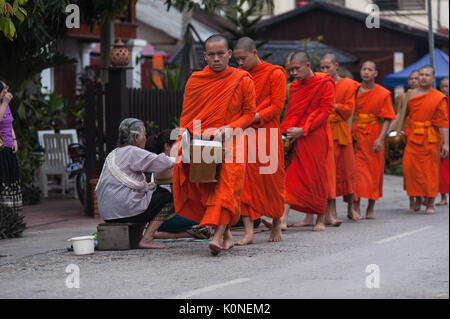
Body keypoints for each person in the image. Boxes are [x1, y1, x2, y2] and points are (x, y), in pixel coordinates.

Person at [172, 34, 256, 256]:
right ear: (205, 56)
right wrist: (185, 141)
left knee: (226, 186)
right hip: (205, 140)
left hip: (233, 139)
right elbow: (188, 116)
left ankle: (217, 237)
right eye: (212, 54)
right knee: (209, 187)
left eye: (221, 54)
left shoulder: (242, 79)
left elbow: (249, 114)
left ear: (229, 54)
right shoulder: (196, 80)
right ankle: (226, 235)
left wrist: (230, 128)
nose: (217, 58)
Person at [232, 37, 287, 245]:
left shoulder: (275, 73)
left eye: (243, 58)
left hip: (268, 133)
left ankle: (275, 223)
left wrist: (251, 117)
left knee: (272, 181)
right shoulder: (239, 75)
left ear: (255, 53)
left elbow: (276, 107)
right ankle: (249, 232)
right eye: (237, 60)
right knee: (245, 182)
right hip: (245, 134)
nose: (240, 64)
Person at [95, 118, 175, 249]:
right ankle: (147, 238)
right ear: (136, 136)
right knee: (169, 197)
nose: (146, 138)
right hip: (125, 211)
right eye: (144, 135)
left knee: (146, 196)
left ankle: (139, 237)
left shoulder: (113, 154)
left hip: (108, 214)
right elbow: (162, 163)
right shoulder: (133, 151)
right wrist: (182, 158)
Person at [278, 51, 335, 232]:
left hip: (315, 135)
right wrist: (286, 132)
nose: (293, 73)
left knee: (317, 177)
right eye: (290, 70)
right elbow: (292, 113)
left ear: (308, 65)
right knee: (291, 176)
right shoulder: (294, 87)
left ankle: (320, 218)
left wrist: (304, 129)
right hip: (296, 136)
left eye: (297, 68)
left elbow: (325, 111)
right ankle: (282, 219)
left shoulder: (324, 83)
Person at [145, 129, 211, 240]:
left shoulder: (165, 161)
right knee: (208, 219)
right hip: (166, 217)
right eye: (179, 143)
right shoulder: (168, 162)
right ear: (167, 146)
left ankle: (161, 233)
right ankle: (161, 233)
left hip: (163, 216)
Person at [403, 67, 449, 214]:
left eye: (427, 75)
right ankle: (414, 199)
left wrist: (446, 143)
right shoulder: (410, 95)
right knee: (410, 169)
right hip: (412, 138)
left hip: (430, 139)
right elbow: (403, 115)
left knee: (430, 171)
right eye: (421, 75)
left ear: (433, 78)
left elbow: (443, 122)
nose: (423, 77)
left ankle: (430, 203)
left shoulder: (438, 97)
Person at [320, 53, 360, 222]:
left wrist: (334, 106)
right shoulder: (320, 83)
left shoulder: (349, 85)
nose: (324, 71)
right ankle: (331, 211)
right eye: (321, 68)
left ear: (336, 66)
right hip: (325, 131)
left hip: (341, 132)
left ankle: (351, 207)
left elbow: (349, 109)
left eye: (327, 67)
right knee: (330, 174)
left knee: (348, 172)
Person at [353, 61, 395, 219]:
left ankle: (370, 207)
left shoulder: (383, 94)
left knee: (374, 172)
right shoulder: (354, 90)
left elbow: (387, 118)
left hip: (373, 135)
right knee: (356, 174)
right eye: (364, 69)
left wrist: (380, 138)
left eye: (370, 70)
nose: (366, 72)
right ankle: (355, 206)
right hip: (356, 134)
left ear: (376, 73)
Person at [387, 71, 421, 211]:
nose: (413, 81)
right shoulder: (403, 97)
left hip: (423, 135)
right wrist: (389, 132)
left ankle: (421, 197)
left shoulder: (428, 95)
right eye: (411, 78)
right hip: (407, 134)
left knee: (421, 170)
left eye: (416, 78)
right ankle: (412, 199)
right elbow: (399, 114)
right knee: (409, 170)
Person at [0, 77, 23, 212]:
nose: (6, 92)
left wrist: (14, 140)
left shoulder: (6, 105)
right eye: (3, 89)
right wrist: (4, 103)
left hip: (9, 146)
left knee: (10, 179)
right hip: (1, 148)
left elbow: (10, 124)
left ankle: (10, 215)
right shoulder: (3, 104)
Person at [437, 77, 449, 206]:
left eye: (447, 86)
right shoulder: (439, 102)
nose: (444, 89)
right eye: (442, 86)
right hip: (442, 138)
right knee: (442, 169)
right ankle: (443, 197)